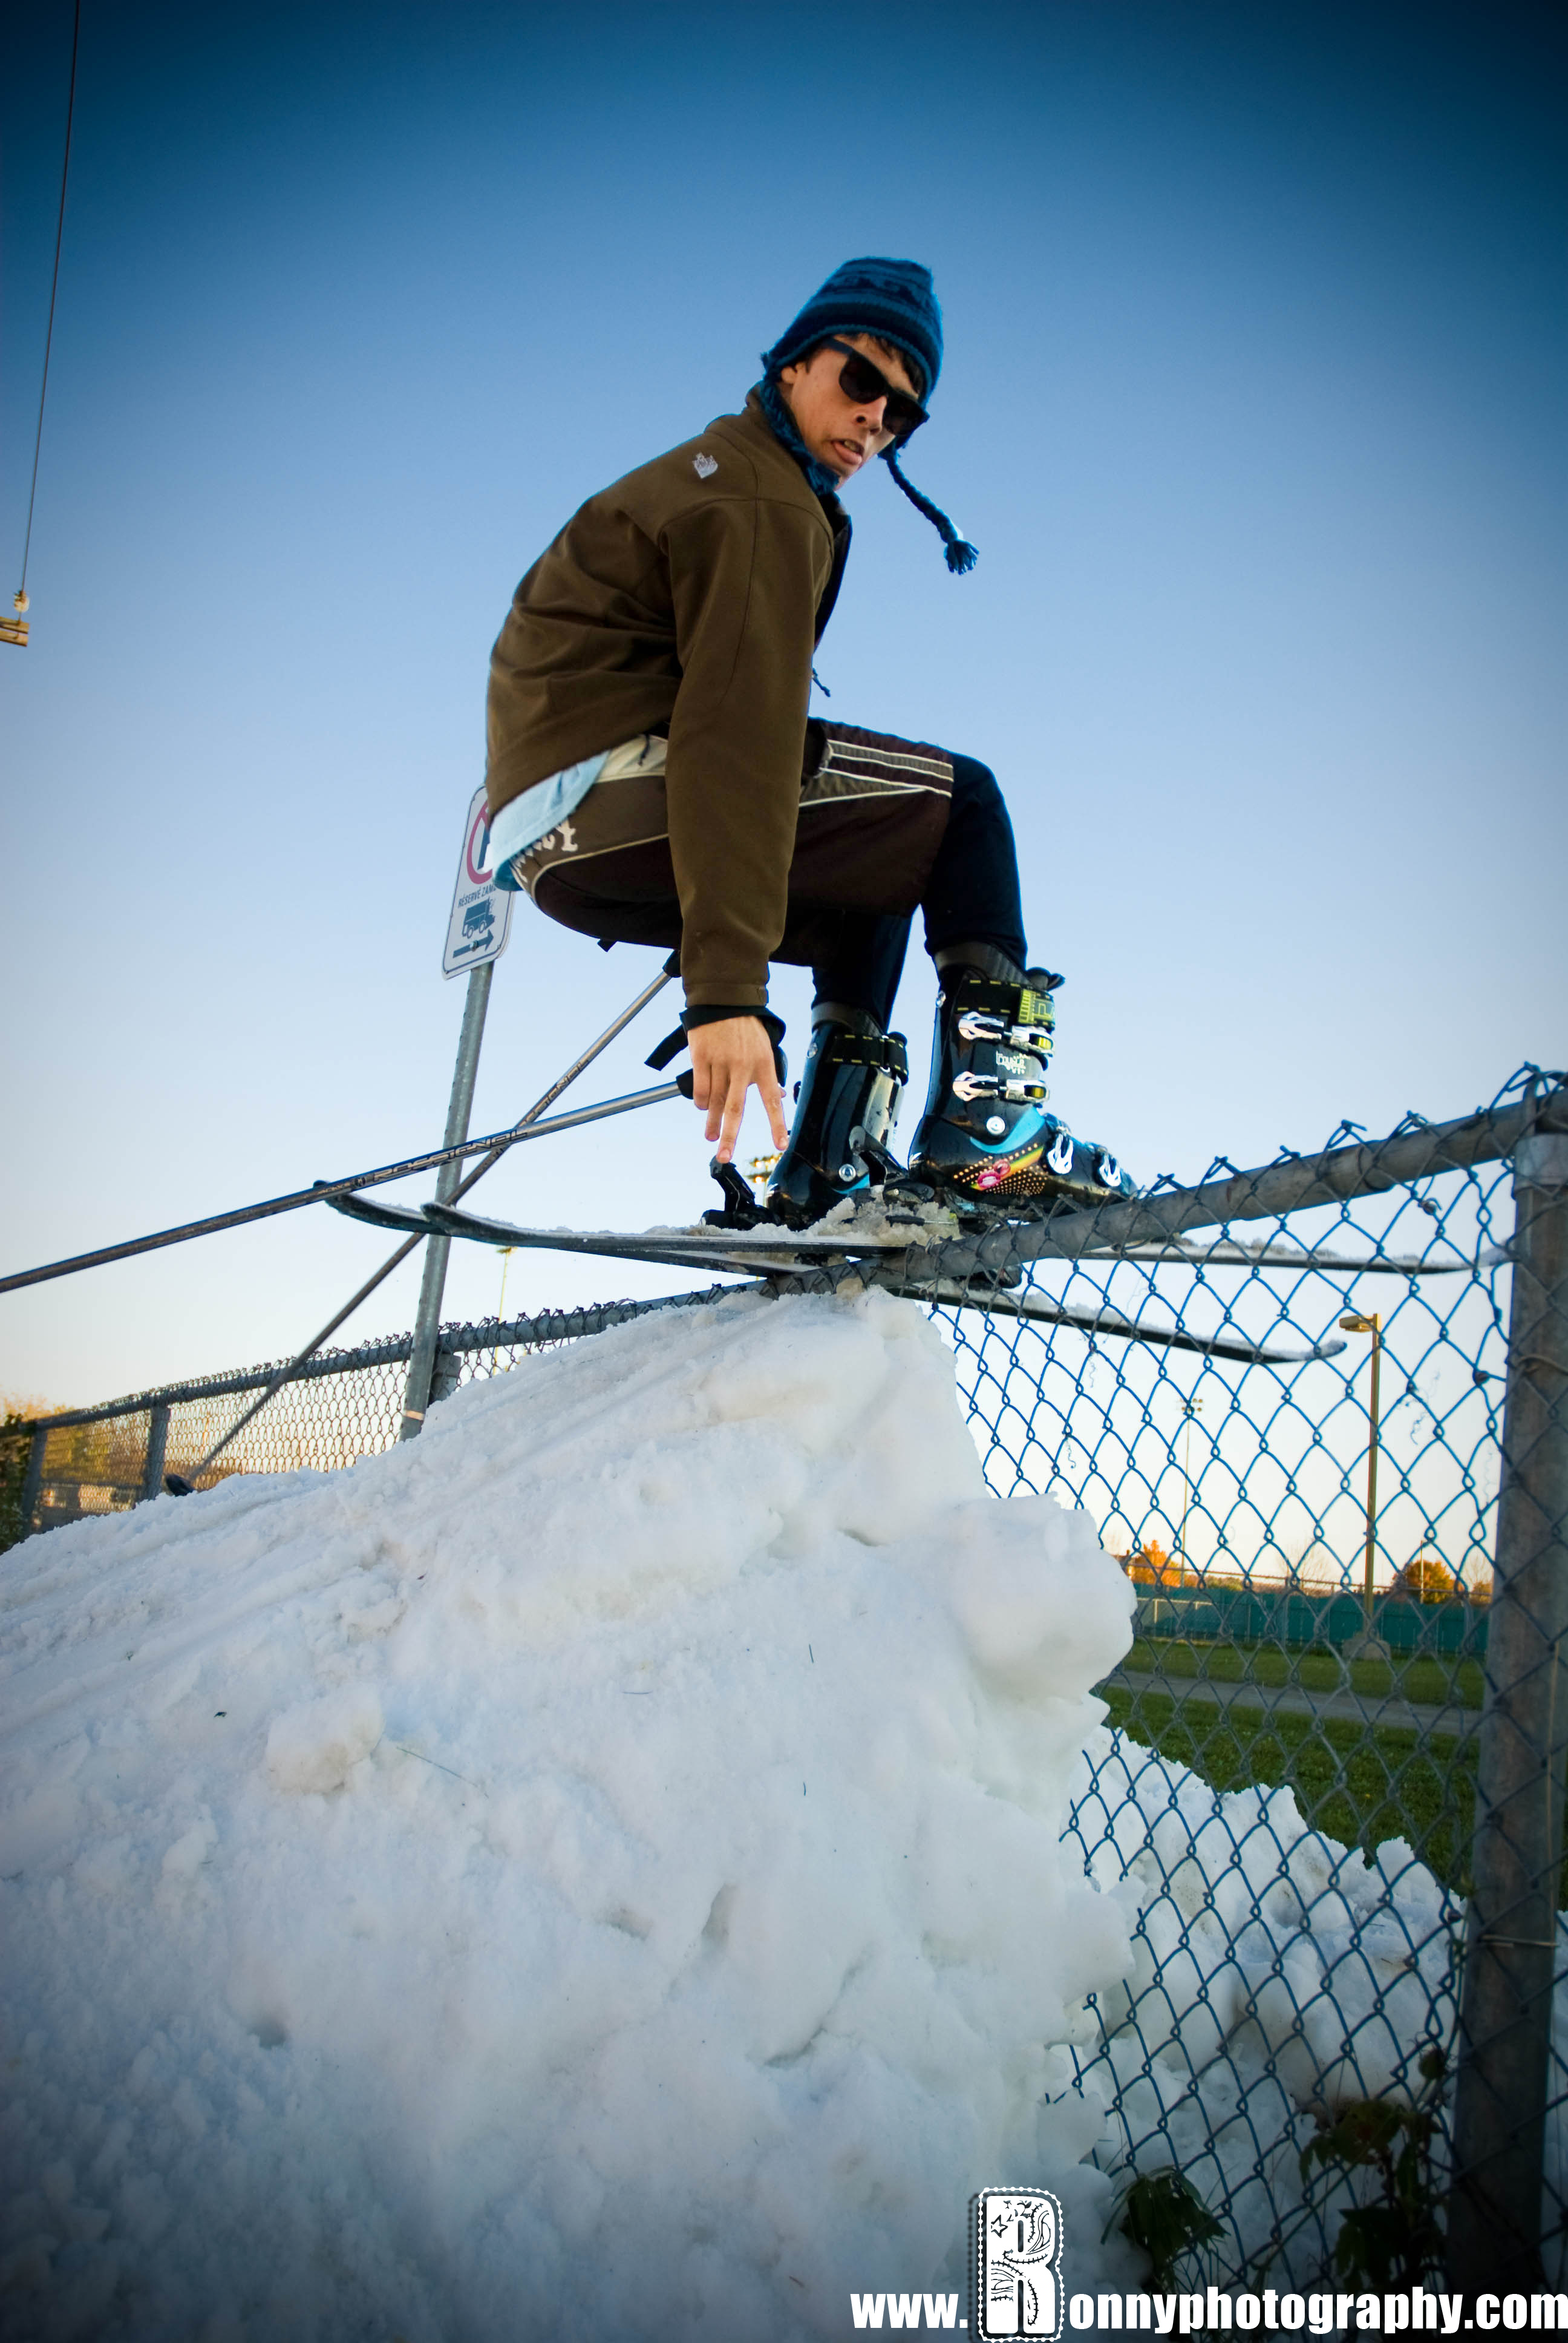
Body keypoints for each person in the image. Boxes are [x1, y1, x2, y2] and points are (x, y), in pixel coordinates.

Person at [485, 257, 1131, 1225]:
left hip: (558, 840)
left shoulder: (734, 475)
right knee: (964, 807)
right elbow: (736, 739)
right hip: (617, 792)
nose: (875, 418)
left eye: (902, 412)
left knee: (884, 863)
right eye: (861, 379)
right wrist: (724, 994)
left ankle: (828, 1162)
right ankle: (989, 1131)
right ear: (793, 361)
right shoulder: (761, 498)